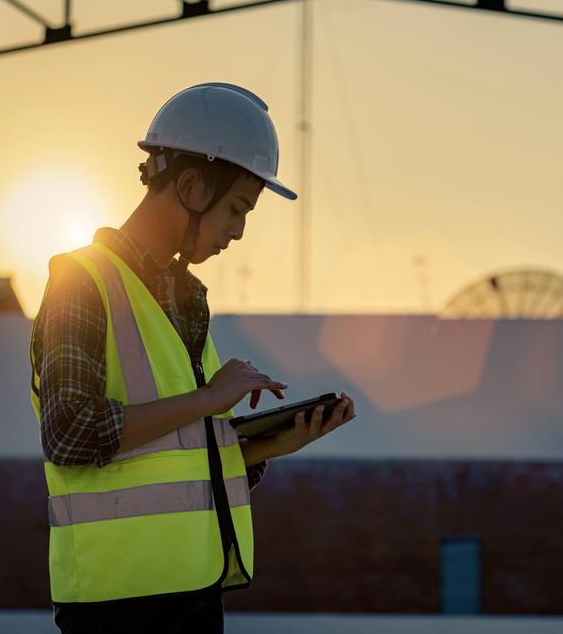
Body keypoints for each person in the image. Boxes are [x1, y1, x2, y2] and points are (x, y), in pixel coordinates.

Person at [29, 83, 356, 633]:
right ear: (189, 184)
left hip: (198, 598)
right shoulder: (80, 283)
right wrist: (210, 398)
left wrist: (276, 443)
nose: (239, 229)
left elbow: (178, 461)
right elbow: (69, 433)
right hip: (114, 612)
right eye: (236, 208)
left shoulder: (188, 299)